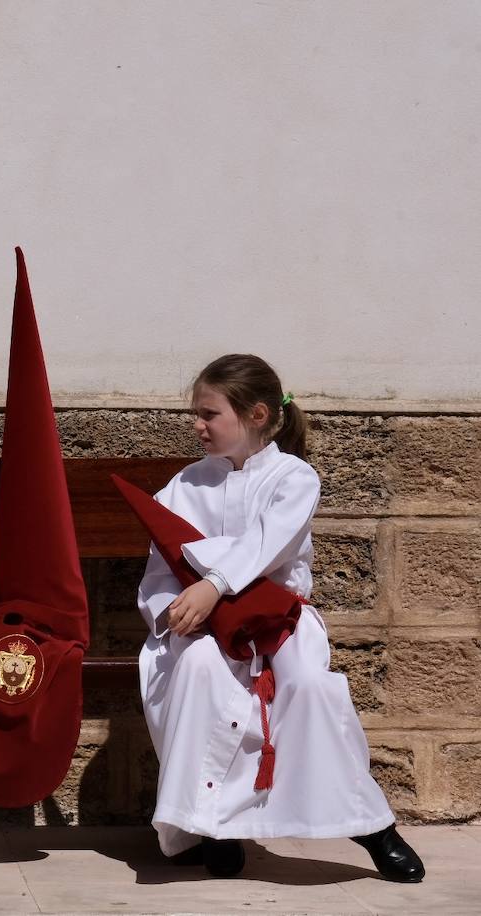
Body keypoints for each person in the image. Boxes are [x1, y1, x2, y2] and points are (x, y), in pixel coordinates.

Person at [135, 353, 424, 882]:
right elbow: (160, 568)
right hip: (207, 631)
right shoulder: (184, 485)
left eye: (208, 414)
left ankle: (370, 826)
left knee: (310, 689)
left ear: (257, 415)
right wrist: (173, 611)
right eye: (195, 414)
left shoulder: (294, 477)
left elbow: (268, 544)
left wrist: (213, 582)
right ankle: (212, 826)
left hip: (279, 622)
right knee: (197, 670)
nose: (197, 425)